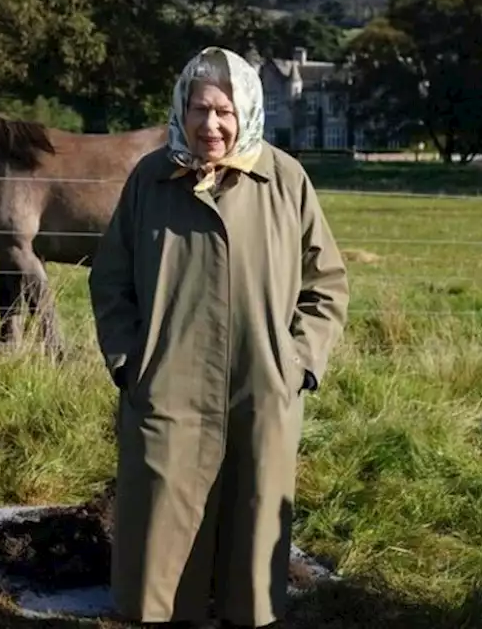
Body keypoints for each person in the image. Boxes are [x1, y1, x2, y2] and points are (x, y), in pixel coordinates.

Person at [88, 46, 349, 628]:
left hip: (262, 384)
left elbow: (325, 282)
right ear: (182, 109)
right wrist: (131, 363)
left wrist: (299, 364)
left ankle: (240, 611)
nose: (212, 124)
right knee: (163, 520)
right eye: (200, 109)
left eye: (225, 111)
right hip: (167, 384)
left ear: (247, 112)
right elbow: (110, 281)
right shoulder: (151, 179)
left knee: (252, 520)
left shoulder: (284, 179)